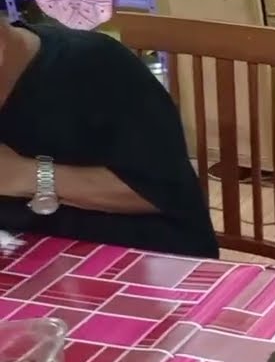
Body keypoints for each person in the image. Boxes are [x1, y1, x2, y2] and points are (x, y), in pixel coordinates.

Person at [0, 21, 217, 258]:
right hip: (27, 255)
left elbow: (161, 194)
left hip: (142, 256)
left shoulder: (94, 65)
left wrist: (30, 175)